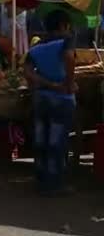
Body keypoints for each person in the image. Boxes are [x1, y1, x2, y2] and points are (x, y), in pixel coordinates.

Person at [23, 10, 77, 196]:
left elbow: (28, 71)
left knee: (41, 139)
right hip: (61, 99)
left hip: (41, 97)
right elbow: (69, 58)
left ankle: (40, 179)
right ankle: (53, 184)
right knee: (57, 141)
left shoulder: (37, 45)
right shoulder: (66, 41)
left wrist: (47, 83)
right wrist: (68, 82)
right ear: (63, 25)